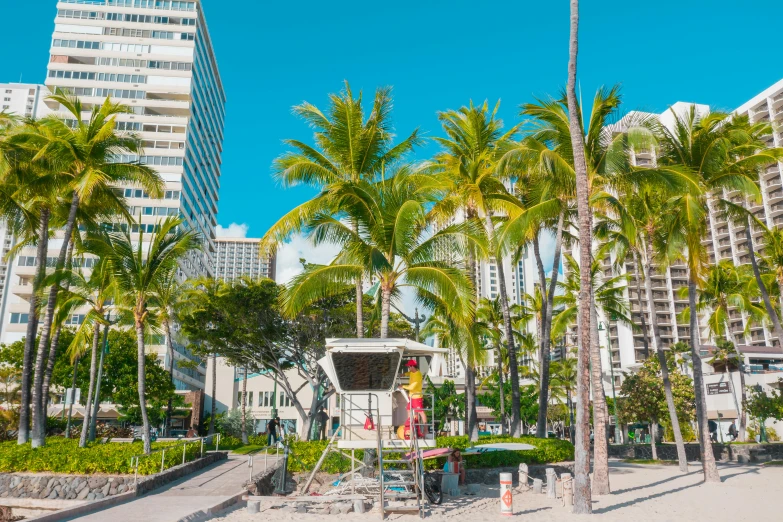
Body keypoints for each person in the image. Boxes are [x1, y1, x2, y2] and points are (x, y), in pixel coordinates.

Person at [401, 359, 428, 437]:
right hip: (411, 396)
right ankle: (411, 426)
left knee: (420, 412)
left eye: (409, 367)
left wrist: (402, 386)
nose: (409, 368)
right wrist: (404, 374)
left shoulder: (417, 375)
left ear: (412, 366)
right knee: (409, 409)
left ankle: (426, 429)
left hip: (416, 396)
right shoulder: (413, 372)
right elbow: (409, 373)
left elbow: (412, 387)